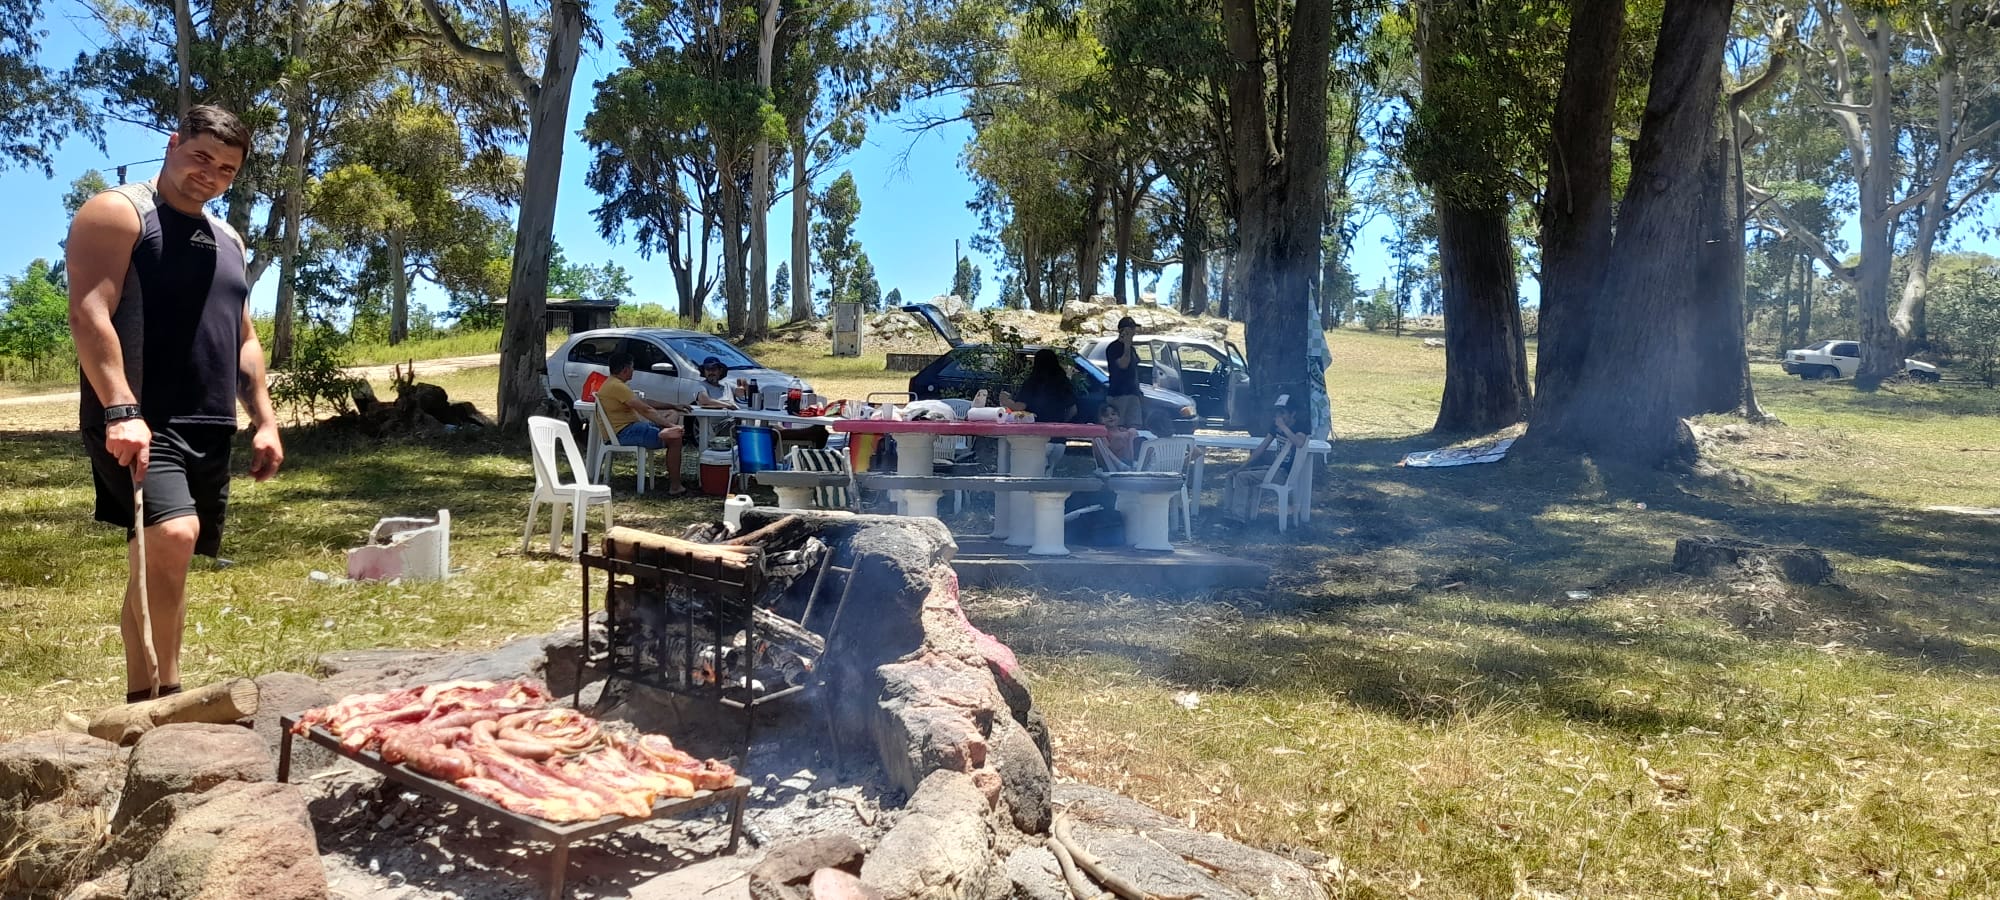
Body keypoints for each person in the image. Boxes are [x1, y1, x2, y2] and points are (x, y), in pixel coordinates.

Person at [67, 105, 284, 705]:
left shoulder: (229, 239)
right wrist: (120, 410)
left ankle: (162, 693)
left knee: (169, 556)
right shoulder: (118, 212)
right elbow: (89, 311)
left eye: (226, 169)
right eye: (200, 157)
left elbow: (243, 337)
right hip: (140, 417)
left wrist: (265, 421)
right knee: (172, 535)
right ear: (172, 143)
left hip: (208, 422)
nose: (210, 174)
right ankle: (154, 700)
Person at [596, 351, 690, 495]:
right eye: (632, 367)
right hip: (624, 433)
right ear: (625, 369)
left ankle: (663, 432)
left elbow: (644, 402)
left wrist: (673, 405)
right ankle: (675, 487)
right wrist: (672, 426)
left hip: (631, 428)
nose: (633, 370)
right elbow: (645, 409)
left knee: (673, 413)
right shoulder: (617, 386)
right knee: (675, 439)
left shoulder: (613, 384)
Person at [1223, 402, 1308, 521]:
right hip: (1274, 469)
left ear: (1292, 414)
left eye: (1282, 413)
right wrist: (1242, 467)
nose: (1279, 417)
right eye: (1277, 413)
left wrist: (1284, 427)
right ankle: (1227, 513)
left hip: (1284, 474)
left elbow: (1299, 443)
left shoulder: (1299, 427)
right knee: (1232, 475)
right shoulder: (1275, 428)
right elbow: (1261, 449)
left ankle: (1238, 518)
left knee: (1242, 478)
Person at [1002, 349, 1078, 423]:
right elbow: (1073, 409)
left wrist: (1005, 401)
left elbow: (1020, 407)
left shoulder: (1032, 383)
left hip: (1034, 426)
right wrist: (1062, 422)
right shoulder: (1063, 382)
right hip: (1057, 426)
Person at [1103, 316, 1144, 430]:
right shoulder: (1114, 347)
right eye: (1131, 329)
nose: (1134, 332)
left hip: (1133, 393)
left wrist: (1138, 392)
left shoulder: (1131, 349)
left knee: (1134, 425)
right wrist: (1126, 345)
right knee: (1119, 426)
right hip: (1119, 394)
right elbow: (1123, 364)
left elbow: (1134, 370)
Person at [1096, 403, 1139, 469]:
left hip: (1130, 459)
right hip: (1116, 461)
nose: (1110, 417)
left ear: (1118, 417)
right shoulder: (1104, 433)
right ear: (1101, 420)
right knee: (1117, 437)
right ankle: (1122, 465)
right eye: (1106, 416)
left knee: (1133, 431)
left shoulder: (1123, 430)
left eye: (1113, 414)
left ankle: (1135, 461)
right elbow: (1106, 449)